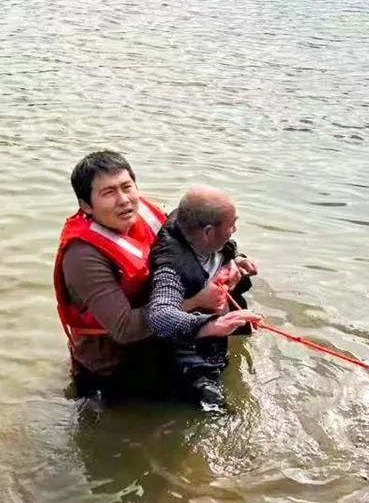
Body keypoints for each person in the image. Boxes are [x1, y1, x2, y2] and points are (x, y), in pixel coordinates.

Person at [53, 150, 225, 401]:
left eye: (127, 187)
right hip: (114, 362)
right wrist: (197, 301)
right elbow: (124, 328)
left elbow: (188, 247)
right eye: (108, 192)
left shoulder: (144, 212)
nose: (123, 200)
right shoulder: (83, 256)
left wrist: (231, 261)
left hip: (158, 337)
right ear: (86, 205)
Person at [146, 185, 260, 410]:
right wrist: (210, 325)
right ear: (208, 232)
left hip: (216, 328)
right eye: (231, 225)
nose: (234, 229)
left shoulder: (195, 229)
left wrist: (235, 260)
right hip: (188, 355)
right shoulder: (171, 268)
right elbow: (158, 315)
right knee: (219, 410)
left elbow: (220, 249)